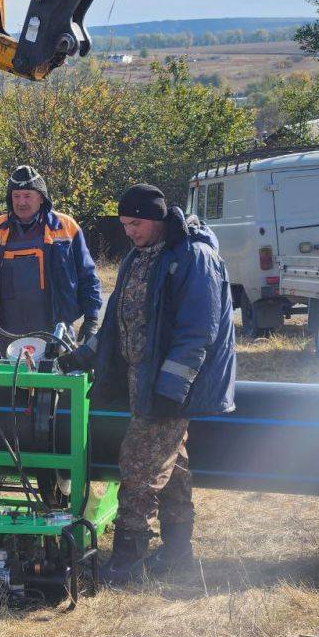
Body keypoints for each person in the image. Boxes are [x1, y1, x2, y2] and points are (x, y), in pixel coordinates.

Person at [60, 183, 236, 583]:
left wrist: (170, 392)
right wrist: (79, 356)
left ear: (156, 218)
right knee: (172, 472)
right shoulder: (137, 257)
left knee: (137, 469)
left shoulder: (194, 257)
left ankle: (126, 563)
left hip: (169, 391)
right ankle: (177, 554)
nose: (129, 232)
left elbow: (198, 334)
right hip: (144, 386)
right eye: (124, 225)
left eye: (135, 223)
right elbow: (114, 327)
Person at [0, 165, 102, 352]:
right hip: (7, 332)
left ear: (41, 197)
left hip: (57, 331)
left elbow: (87, 277)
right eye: (16, 196)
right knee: (7, 380)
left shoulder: (65, 227)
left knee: (54, 380)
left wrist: (91, 319)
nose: (21, 202)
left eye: (27, 196)